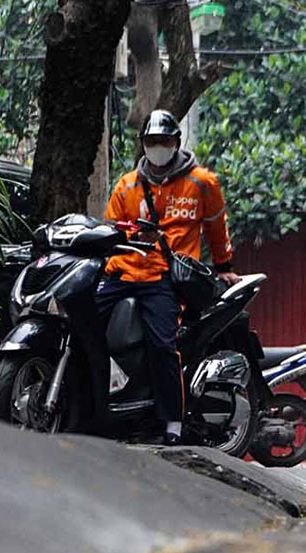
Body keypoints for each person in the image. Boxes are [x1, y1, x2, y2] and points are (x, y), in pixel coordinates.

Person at [97, 109, 241, 445]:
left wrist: (224, 266)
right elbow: (109, 230)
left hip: (164, 276)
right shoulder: (127, 185)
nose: (158, 147)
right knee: (84, 324)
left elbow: (217, 228)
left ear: (176, 142)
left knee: (162, 345)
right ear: (143, 144)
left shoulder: (202, 183)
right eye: (151, 141)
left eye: (164, 141)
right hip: (123, 270)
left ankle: (172, 422)